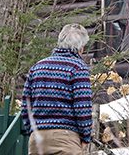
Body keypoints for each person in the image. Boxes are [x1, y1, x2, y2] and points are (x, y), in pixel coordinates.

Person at [21, 24, 93, 155]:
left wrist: (31, 130)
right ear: (81, 47)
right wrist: (85, 136)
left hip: (37, 139)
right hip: (65, 138)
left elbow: (26, 106)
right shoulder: (78, 68)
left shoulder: (37, 67)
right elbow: (82, 108)